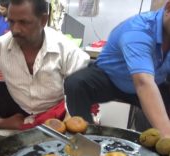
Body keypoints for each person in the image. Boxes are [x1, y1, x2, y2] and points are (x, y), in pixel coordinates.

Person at [0, 0, 90, 135]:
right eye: (11, 22)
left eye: (24, 22)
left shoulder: (66, 50)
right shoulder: (3, 44)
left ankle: (25, 123)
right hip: (19, 103)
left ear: (43, 20)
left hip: (52, 108)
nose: (15, 29)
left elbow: (80, 96)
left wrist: (68, 125)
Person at [64, 2, 170, 138]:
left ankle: (151, 146)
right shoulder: (140, 30)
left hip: (153, 83)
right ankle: (86, 139)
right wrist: (167, 135)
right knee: (76, 84)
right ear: (168, 9)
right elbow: (143, 83)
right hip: (111, 78)